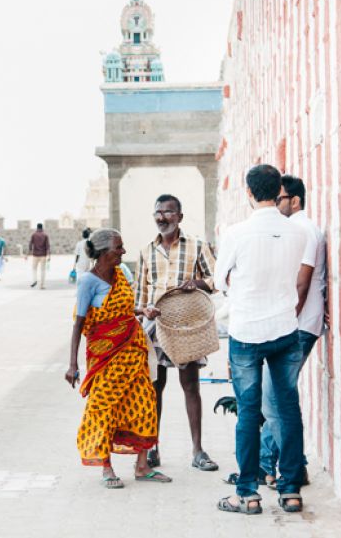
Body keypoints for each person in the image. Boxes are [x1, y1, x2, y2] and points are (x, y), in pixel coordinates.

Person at [213, 164, 314, 515]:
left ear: (250, 193)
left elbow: (219, 281)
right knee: (288, 410)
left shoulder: (236, 233)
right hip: (285, 329)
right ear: (278, 191)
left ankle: (248, 493)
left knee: (249, 412)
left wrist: (240, 290)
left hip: (246, 331)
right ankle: (290, 492)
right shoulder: (297, 233)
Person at [65, 228, 170, 489]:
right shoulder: (88, 282)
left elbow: (124, 308)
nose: (123, 251)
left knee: (145, 402)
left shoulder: (121, 274)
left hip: (133, 351)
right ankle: (106, 466)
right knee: (104, 408)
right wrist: (72, 364)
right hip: (105, 356)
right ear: (102, 252)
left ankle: (143, 466)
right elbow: (78, 324)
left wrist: (142, 310)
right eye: (118, 248)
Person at [134, 194, 218, 473]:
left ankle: (197, 450)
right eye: (158, 212)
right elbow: (141, 293)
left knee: (190, 385)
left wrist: (198, 283)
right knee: (154, 389)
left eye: (168, 212)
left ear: (179, 217)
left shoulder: (196, 245)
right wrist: (142, 313)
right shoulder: (147, 250)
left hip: (186, 325)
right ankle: (152, 448)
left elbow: (215, 279)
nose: (162, 217)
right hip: (155, 326)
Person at [256, 174, 326, 486]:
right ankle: (268, 465)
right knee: (275, 400)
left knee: (273, 402)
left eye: (279, 199)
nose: (274, 204)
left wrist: (282, 324)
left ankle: (291, 469)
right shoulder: (293, 229)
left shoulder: (303, 229)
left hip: (296, 327)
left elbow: (302, 281)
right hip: (292, 324)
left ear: (294, 201)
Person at [27, 222, 50, 289]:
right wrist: (49, 256)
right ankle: (42, 285)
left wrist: (29, 251)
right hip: (43, 255)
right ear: (42, 227)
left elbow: (30, 244)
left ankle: (35, 280)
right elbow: (47, 246)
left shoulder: (34, 235)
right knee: (43, 270)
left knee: (34, 269)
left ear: (37, 227)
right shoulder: (45, 235)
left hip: (35, 254)